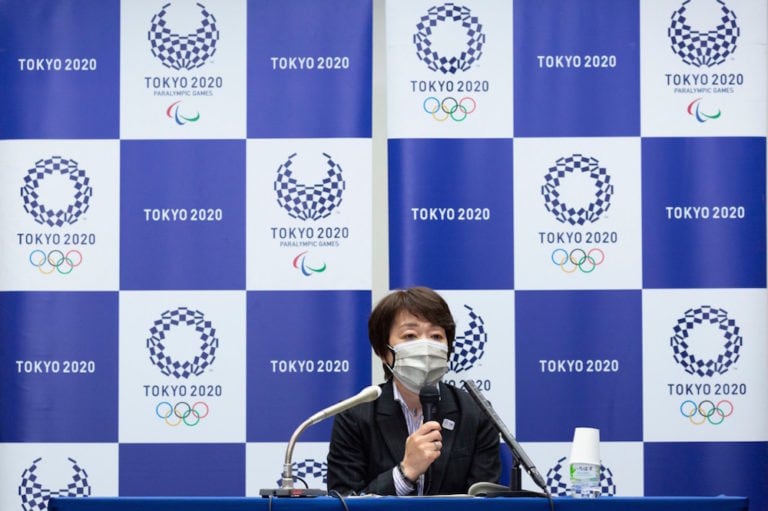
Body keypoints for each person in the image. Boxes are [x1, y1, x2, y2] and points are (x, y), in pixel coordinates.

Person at [326, 286, 500, 495]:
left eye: (436, 336)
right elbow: (344, 501)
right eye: (410, 336)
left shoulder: (476, 413)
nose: (425, 346)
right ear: (383, 351)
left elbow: (485, 500)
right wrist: (405, 472)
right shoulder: (354, 416)